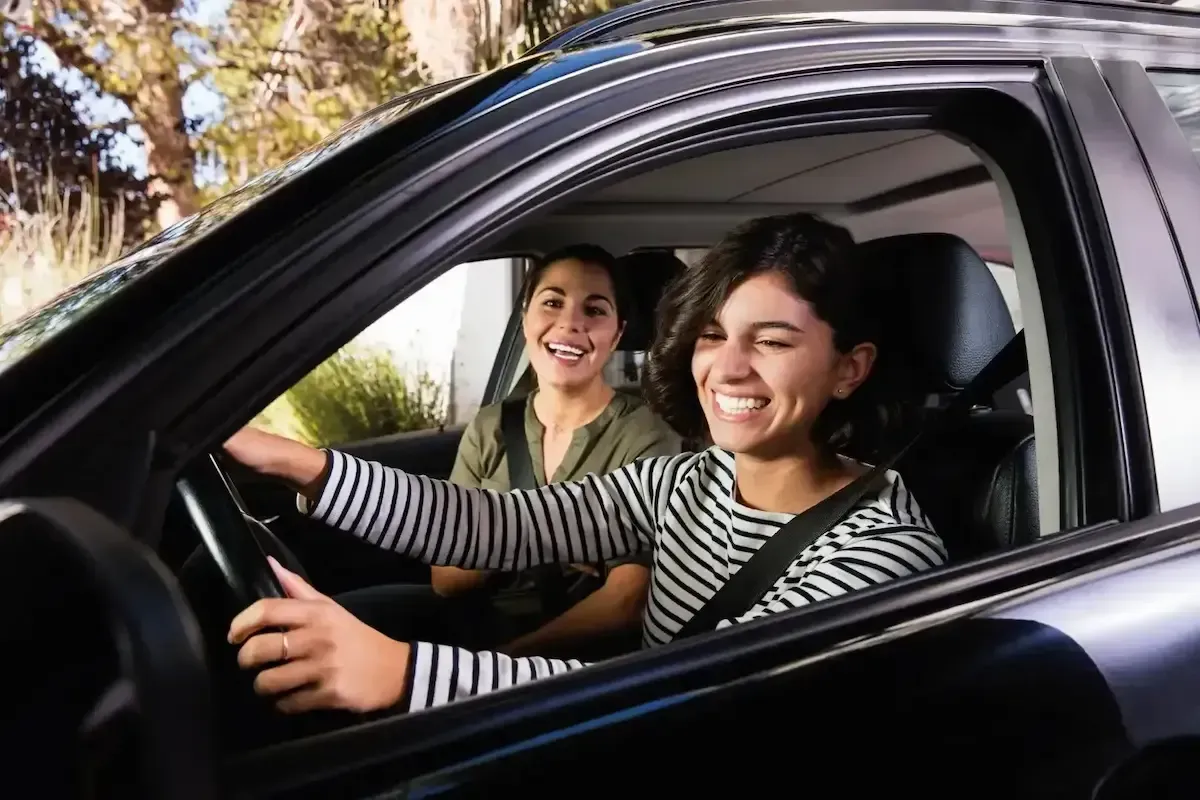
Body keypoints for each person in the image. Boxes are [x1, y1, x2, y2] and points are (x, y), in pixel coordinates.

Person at [223, 213, 946, 717]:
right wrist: (297, 462)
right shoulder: (688, 481)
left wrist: (404, 675)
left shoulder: (880, 551)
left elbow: (698, 697)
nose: (726, 368)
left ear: (849, 370)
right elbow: (492, 526)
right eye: (711, 334)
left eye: (773, 342)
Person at [345, 244, 682, 659]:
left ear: (616, 334)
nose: (570, 323)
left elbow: (626, 601)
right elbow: (446, 577)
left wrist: (502, 663)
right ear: (525, 318)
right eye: (552, 303)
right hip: (479, 625)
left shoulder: (645, 435)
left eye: (594, 311)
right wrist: (567, 541)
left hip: (571, 658)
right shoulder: (493, 425)